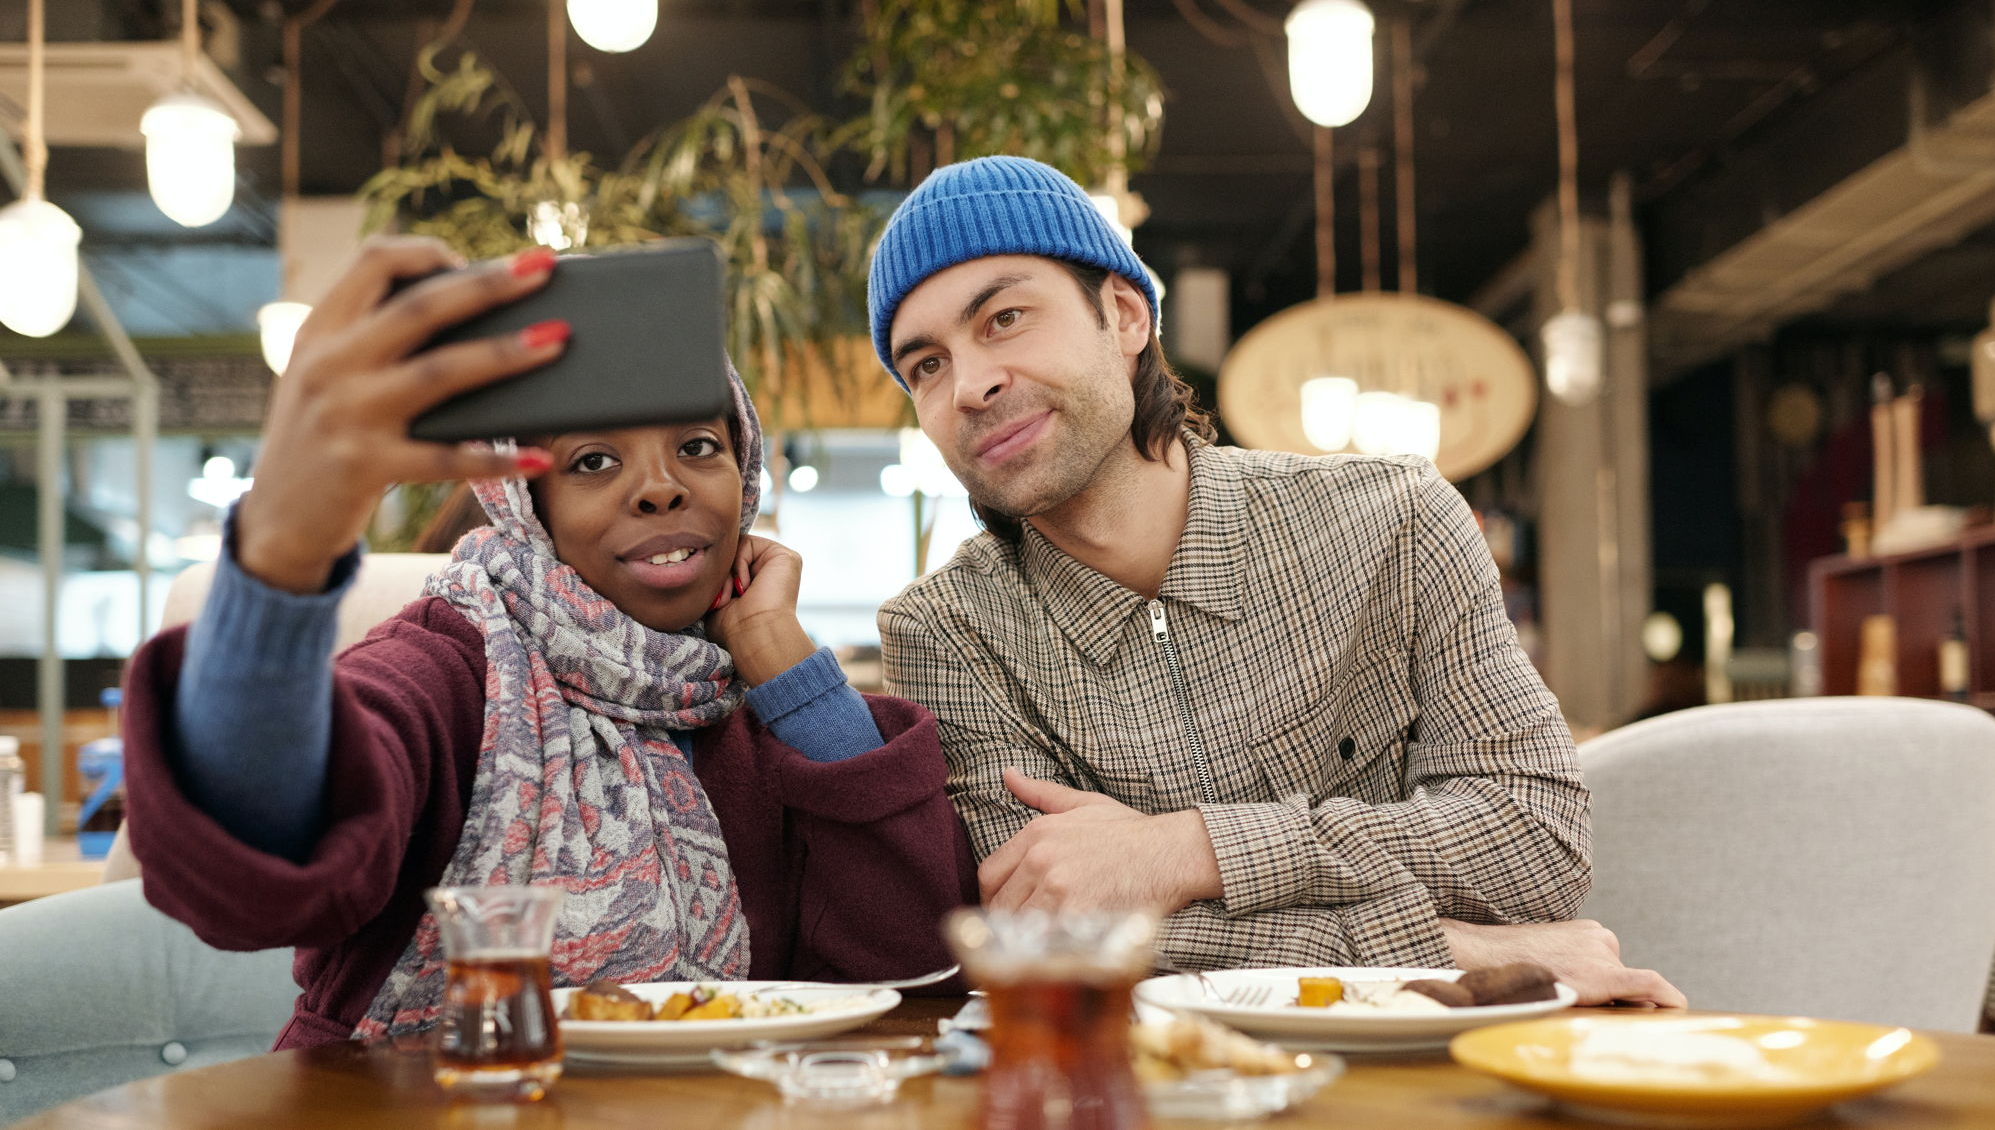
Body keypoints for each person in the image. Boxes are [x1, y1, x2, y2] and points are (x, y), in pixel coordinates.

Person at [119, 238, 975, 1049]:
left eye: (699, 446)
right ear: (530, 506)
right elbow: (256, 868)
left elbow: (909, 970)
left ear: (744, 470)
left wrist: (789, 668)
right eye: (595, 460)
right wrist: (281, 556)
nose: (660, 487)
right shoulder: (453, 667)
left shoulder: (757, 704)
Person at [868, 155, 1682, 1006]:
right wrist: (1451, 943)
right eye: (924, 364)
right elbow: (1043, 937)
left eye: (1004, 318)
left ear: (1122, 314)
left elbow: (1536, 840)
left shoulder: (1395, 521)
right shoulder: (947, 631)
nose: (969, 384)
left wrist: (1186, 850)